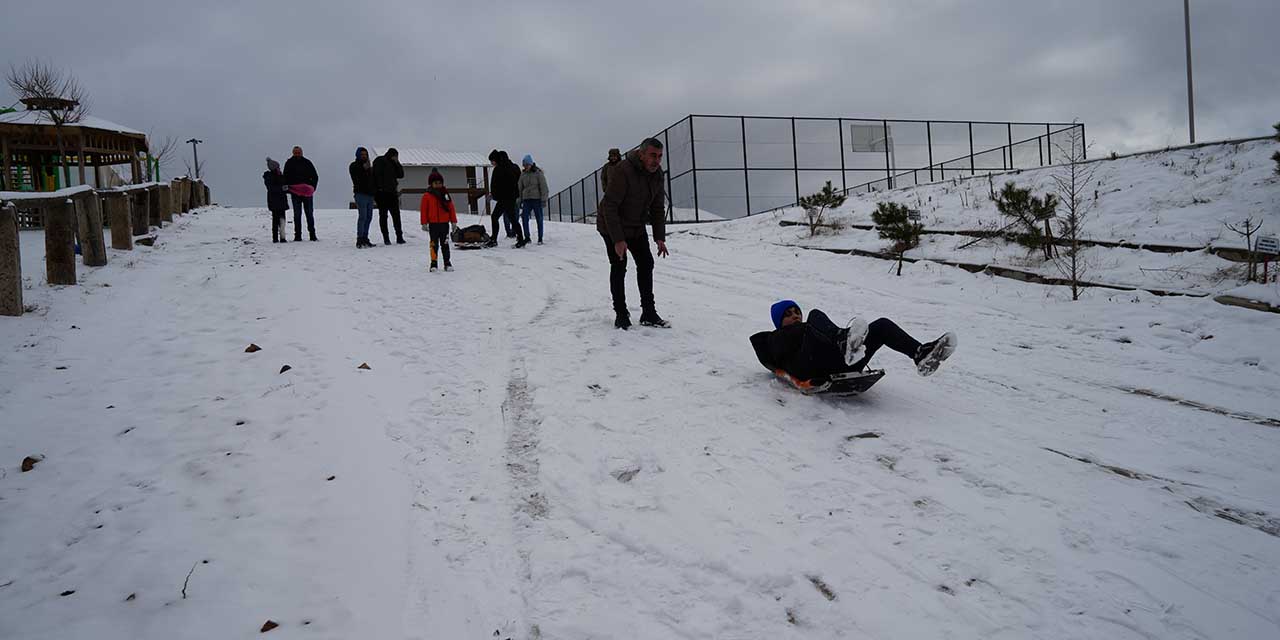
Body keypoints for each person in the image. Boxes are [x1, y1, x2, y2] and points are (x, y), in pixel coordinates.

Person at [750, 300, 956, 385]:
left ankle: (921, 354)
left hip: (837, 360)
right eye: (788, 314)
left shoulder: (807, 330)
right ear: (779, 322)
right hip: (809, 366)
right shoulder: (775, 338)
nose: (795, 316)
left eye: (797, 312)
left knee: (882, 326)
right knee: (816, 314)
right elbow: (780, 360)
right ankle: (844, 341)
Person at [597, 138, 670, 329]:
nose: (656, 160)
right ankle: (621, 314)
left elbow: (657, 207)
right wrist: (618, 240)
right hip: (611, 225)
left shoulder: (657, 175)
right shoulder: (623, 170)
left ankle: (648, 313)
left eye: (660, 156)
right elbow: (610, 206)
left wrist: (659, 237)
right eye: (653, 155)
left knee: (646, 263)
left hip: (636, 226)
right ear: (641, 154)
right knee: (619, 265)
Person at [420, 169, 458, 272]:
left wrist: (453, 221)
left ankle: (447, 262)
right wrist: (424, 222)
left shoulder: (445, 194)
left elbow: (451, 207)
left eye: (440, 183)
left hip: (444, 224)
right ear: (431, 184)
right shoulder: (427, 196)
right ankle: (433, 263)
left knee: (445, 243)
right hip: (433, 225)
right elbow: (424, 210)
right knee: (434, 244)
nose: (438, 185)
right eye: (436, 183)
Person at [487, 149, 526, 247]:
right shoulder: (514, 167)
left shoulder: (498, 169)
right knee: (513, 219)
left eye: (492, 161)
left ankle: (494, 239)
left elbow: (495, 185)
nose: (492, 163)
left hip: (503, 198)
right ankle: (520, 238)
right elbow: (519, 180)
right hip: (512, 197)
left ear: (496, 159)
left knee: (495, 217)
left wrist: (493, 195)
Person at [283, 145, 319, 241]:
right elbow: (285, 177)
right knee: (297, 214)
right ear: (293, 153)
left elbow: (315, 176)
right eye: (295, 153)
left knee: (309, 214)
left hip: (307, 193)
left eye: (299, 152)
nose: (297, 154)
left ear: (302, 153)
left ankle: (312, 234)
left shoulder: (307, 163)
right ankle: (297, 235)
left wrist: (312, 187)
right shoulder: (289, 163)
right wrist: (288, 189)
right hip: (295, 193)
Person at [372, 147, 405, 245]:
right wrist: (376, 192)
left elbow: (401, 174)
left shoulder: (394, 163)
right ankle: (386, 238)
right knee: (384, 216)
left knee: (395, 216)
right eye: (395, 156)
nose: (396, 157)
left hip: (392, 193)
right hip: (382, 193)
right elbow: (375, 176)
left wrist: (397, 163)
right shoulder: (379, 161)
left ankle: (399, 237)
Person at [518, 154, 549, 245]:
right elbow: (520, 188)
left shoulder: (538, 174)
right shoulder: (523, 175)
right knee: (524, 217)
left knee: (539, 218)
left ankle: (540, 238)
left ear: (531, 164)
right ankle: (527, 237)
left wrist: (543, 200)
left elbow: (544, 187)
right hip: (526, 200)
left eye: (527, 165)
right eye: (524, 165)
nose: (525, 167)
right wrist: (519, 200)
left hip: (536, 199)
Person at [349, 147, 376, 248]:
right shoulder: (354, 166)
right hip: (360, 194)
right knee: (363, 217)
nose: (364, 156)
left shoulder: (369, 167)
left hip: (370, 195)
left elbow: (372, 180)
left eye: (365, 154)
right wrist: (364, 169)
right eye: (362, 154)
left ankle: (365, 237)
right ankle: (359, 239)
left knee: (369, 217)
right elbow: (356, 179)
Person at [263, 157, 289, 243]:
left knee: (282, 220)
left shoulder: (281, 176)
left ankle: (282, 237)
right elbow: (271, 188)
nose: (279, 168)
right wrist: (282, 188)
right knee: (276, 220)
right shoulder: (269, 177)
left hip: (281, 201)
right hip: (274, 202)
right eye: (278, 167)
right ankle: (275, 237)